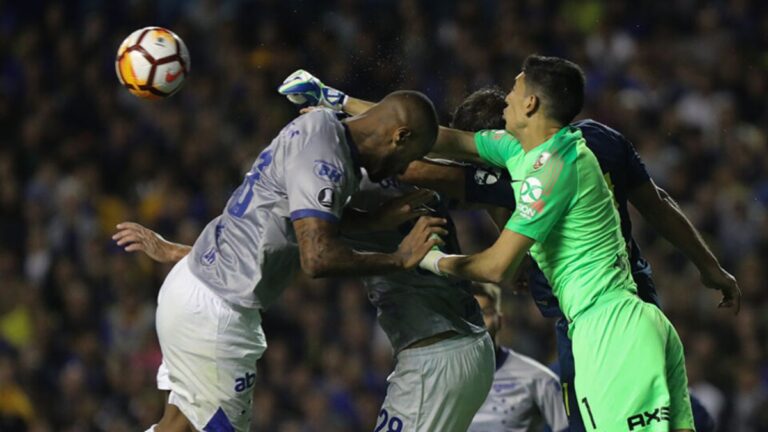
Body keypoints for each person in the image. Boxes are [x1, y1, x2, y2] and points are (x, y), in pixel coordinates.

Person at [281, 56, 739, 431]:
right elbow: (438, 137)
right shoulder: (538, 149)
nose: (508, 98)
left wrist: (422, 261)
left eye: (515, 90)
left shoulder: (545, 174)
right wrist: (337, 100)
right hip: (630, 313)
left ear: (532, 104)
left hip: (609, 329)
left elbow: (493, 261)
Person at [113, 91, 447, 432]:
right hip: (215, 312)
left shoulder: (319, 124)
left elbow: (296, 218)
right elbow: (316, 257)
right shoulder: (326, 160)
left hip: (194, 285)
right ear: (400, 136)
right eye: (411, 156)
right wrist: (398, 259)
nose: (404, 169)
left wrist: (375, 220)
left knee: (178, 423)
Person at [469, 282, 568, 432]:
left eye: (485, 313)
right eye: (470, 315)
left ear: (500, 320)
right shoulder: (441, 380)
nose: (478, 323)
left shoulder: (538, 378)